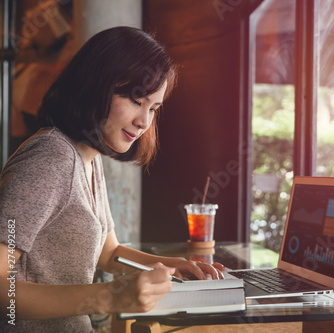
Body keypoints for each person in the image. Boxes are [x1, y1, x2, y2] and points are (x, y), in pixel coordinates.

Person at [0, 26, 224, 332]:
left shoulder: (88, 157)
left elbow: (109, 253)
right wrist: (109, 296)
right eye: (136, 100)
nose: (144, 122)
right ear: (96, 86)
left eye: (153, 108)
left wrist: (176, 267)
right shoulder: (50, 159)